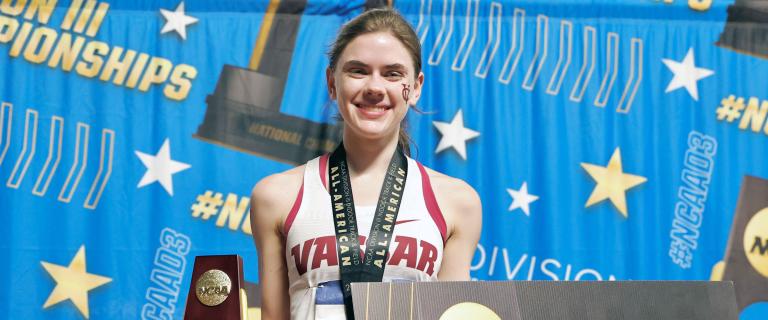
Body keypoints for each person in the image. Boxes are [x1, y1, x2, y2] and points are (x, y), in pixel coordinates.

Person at [250, 8, 482, 320]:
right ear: (333, 83)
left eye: (392, 73)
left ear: (415, 87)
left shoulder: (457, 203)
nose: (374, 87)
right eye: (358, 71)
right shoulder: (276, 196)